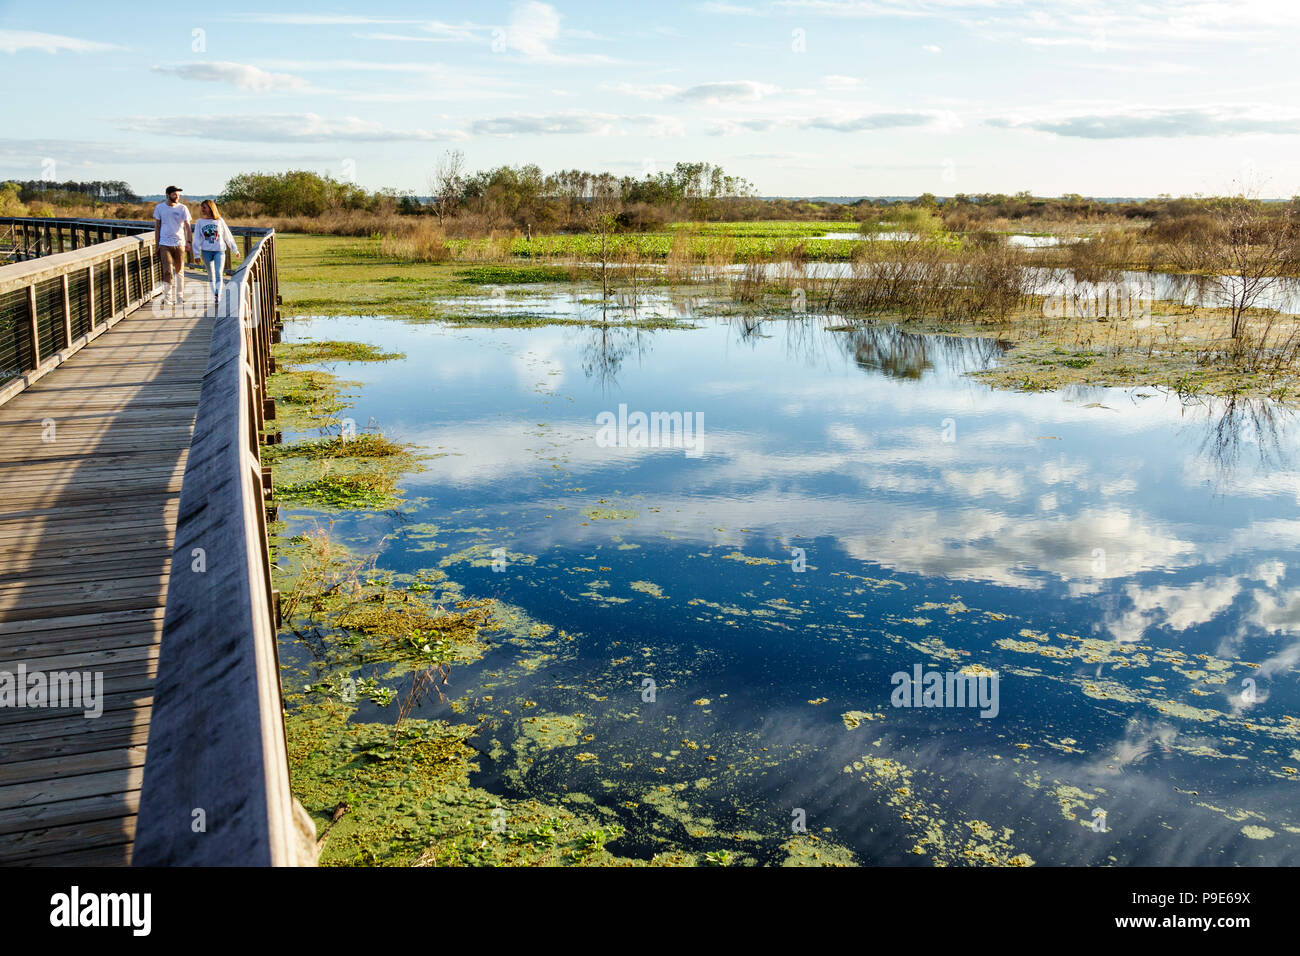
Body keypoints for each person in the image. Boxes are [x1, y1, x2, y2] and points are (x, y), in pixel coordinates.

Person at [191, 199, 241, 312]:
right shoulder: (200, 222)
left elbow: (227, 236)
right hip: (206, 251)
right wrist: (196, 254)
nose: (202, 209)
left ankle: (218, 295)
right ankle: (215, 295)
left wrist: (235, 249)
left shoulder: (219, 221)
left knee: (219, 273)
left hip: (219, 250)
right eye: (201, 207)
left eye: (204, 207)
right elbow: (197, 239)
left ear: (211, 208)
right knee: (211, 274)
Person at [152, 186, 192, 306]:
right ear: (167, 195)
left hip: (179, 243)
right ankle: (167, 297)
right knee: (167, 271)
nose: (177, 197)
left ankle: (179, 297)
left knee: (179, 271)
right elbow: (157, 227)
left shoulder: (183, 208)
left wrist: (188, 242)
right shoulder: (160, 208)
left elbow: (188, 226)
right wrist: (157, 245)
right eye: (174, 195)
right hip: (164, 243)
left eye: (178, 195)